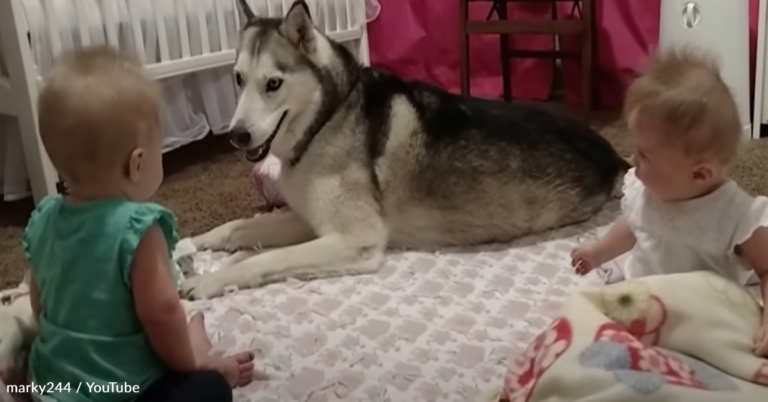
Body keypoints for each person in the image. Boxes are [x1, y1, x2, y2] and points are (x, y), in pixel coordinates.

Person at [23, 45, 255, 402]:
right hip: (124, 391)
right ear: (137, 164)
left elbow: (41, 306)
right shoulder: (139, 229)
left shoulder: (43, 217)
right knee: (209, 389)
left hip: (52, 384)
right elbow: (161, 314)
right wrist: (194, 361)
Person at [570, 46, 768, 357]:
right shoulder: (652, 192)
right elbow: (634, 225)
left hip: (701, 319)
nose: (633, 159)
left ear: (700, 174)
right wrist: (598, 252)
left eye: (645, 155)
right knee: (587, 335)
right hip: (641, 299)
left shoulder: (736, 214)